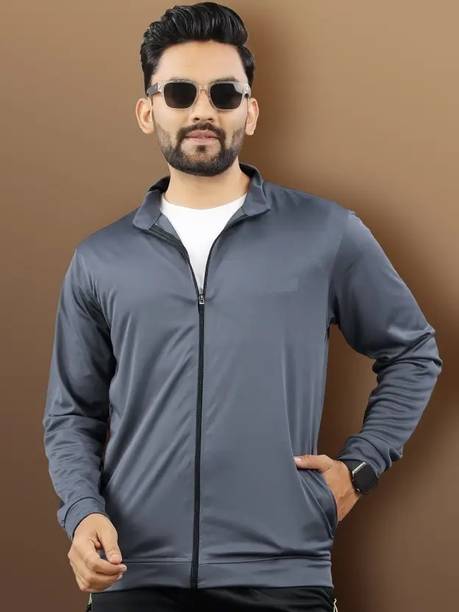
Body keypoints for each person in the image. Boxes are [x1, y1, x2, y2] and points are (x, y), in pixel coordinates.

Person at [42, 3, 443, 611]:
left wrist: (360, 468)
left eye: (225, 93)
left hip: (284, 574)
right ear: (148, 111)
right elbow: (72, 413)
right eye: (180, 92)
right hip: (134, 574)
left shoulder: (325, 233)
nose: (203, 110)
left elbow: (413, 351)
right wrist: (81, 512)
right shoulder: (101, 259)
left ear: (250, 112)